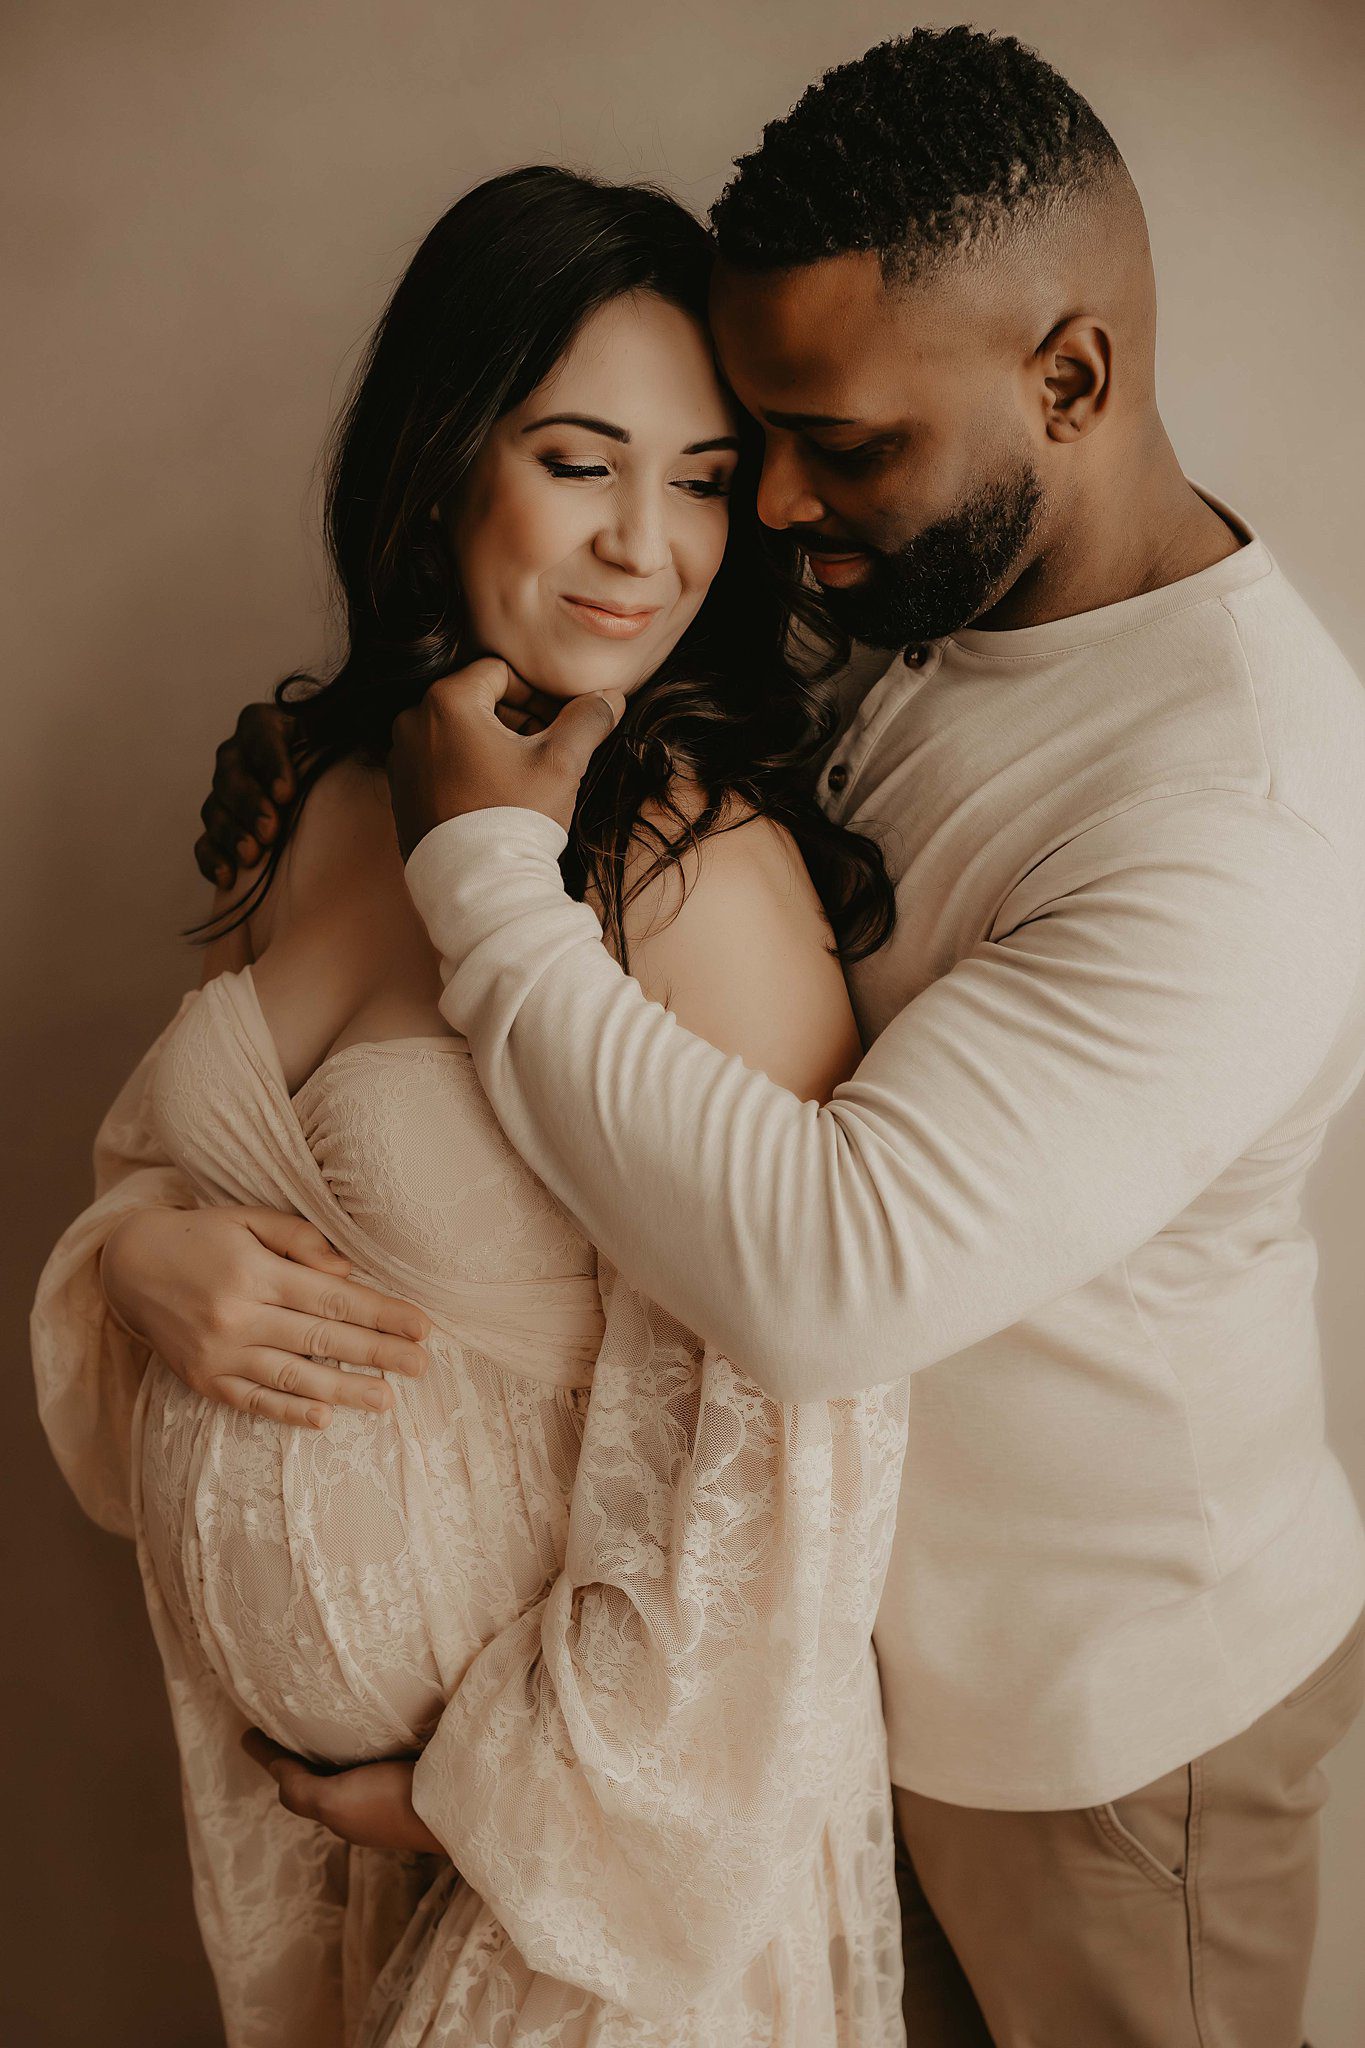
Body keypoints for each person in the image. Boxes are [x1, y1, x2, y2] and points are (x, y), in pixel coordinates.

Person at [205, 27, 1365, 2048]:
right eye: (768, 447)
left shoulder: (1235, 813)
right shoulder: (941, 599)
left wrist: (481, 870)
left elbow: (831, 1276)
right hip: (828, 1697)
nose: (781, 517)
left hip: (1095, 1738)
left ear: (1067, 381)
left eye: (834, 446)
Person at [31, 168, 913, 2047]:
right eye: (581, 460)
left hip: (601, 1885)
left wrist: (491, 1805)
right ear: (442, 467)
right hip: (321, 1852)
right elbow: (167, 1162)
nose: (645, 546)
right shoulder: (320, 791)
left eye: (696, 478)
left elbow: (791, 1485)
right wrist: (139, 1257)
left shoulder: (694, 873)